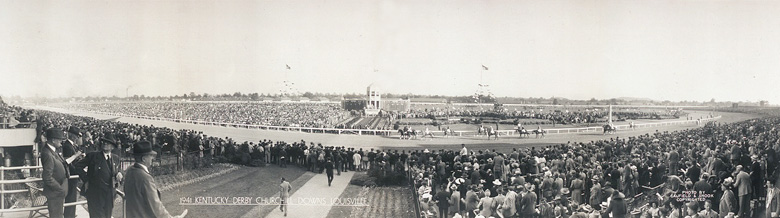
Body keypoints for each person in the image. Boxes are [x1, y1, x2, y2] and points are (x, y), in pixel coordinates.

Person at [125, 141, 186, 218]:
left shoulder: (130, 171)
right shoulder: (145, 177)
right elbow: (155, 205)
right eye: (150, 156)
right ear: (144, 158)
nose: (152, 158)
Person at [74, 133, 122, 218]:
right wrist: (86, 179)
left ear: (112, 147)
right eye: (104, 142)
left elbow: (118, 170)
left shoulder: (116, 158)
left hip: (110, 194)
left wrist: (119, 173)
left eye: (108, 143)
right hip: (95, 193)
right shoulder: (93, 156)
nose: (105, 144)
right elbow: (78, 166)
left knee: (107, 215)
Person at [41, 128, 70, 218]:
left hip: (57, 193)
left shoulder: (52, 151)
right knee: (56, 216)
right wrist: (59, 189)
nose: (61, 142)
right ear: (53, 140)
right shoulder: (47, 154)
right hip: (55, 193)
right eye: (60, 140)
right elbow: (47, 177)